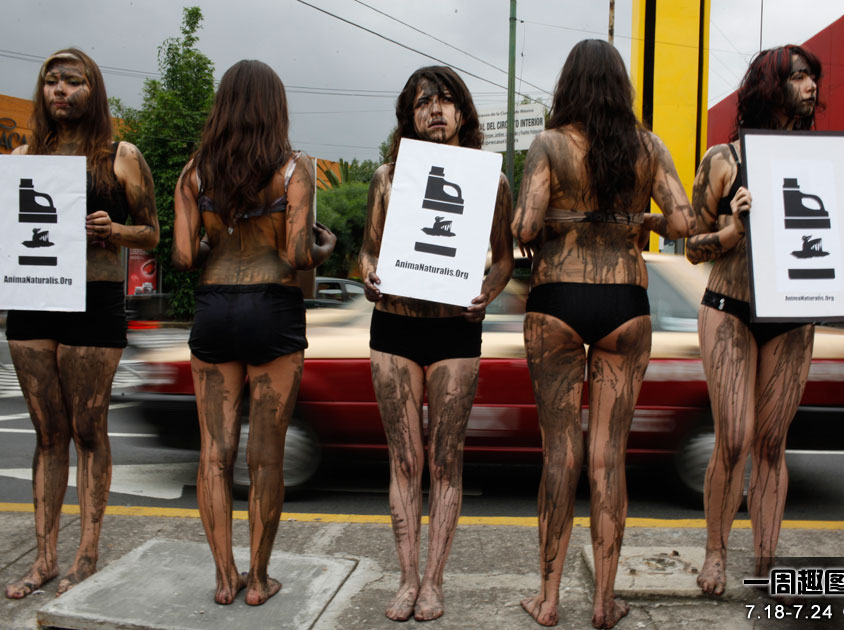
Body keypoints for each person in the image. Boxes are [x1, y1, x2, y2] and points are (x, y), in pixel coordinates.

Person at [512, 39, 694, 629]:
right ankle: (603, 602)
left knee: (559, 455)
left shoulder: (549, 145)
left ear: (569, 85)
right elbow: (683, 222)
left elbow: (525, 225)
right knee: (608, 457)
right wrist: (639, 218)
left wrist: (552, 217)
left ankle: (548, 600)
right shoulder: (648, 146)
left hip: (557, 298)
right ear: (621, 87)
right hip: (624, 300)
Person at [687, 45, 844, 596]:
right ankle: (716, 552)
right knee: (733, 438)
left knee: (771, 443)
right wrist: (731, 228)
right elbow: (691, 246)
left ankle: (765, 563)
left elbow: (833, 248)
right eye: (799, 76)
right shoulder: (723, 159)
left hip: (792, 316)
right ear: (770, 86)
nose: (812, 86)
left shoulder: (822, 163)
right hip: (730, 308)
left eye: (814, 76)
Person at [172, 60, 335, 606]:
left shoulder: (195, 173)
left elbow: (182, 256)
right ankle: (259, 580)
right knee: (265, 458)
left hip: (215, 309)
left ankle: (225, 578)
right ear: (275, 108)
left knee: (214, 455)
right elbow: (297, 255)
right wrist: (325, 248)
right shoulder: (293, 169)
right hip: (273, 311)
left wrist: (214, 238)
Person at [359, 65, 514, 622]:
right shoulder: (388, 178)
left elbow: (504, 258)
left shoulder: (490, 181)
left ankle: (434, 582)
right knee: (405, 459)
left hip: (455, 328)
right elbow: (368, 250)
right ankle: (406, 578)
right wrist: (368, 273)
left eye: (446, 100)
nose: (435, 110)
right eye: (424, 102)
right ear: (410, 115)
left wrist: (488, 292)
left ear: (463, 112)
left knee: (446, 460)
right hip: (394, 326)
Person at [4, 48, 158, 599]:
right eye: (52, 81)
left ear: (94, 90)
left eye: (72, 81)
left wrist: (114, 230)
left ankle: (86, 553)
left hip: (94, 298)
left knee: (88, 428)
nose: (60, 90)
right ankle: (43, 559)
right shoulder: (23, 157)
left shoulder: (120, 156)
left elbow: (152, 232)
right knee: (48, 433)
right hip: (32, 297)